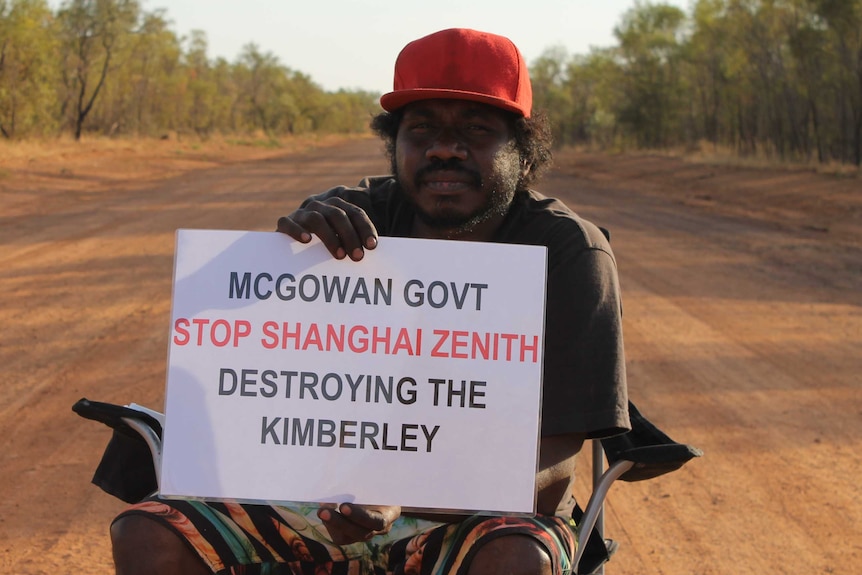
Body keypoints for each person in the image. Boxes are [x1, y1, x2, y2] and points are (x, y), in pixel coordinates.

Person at [110, 28, 630, 575]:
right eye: (421, 128)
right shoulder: (348, 220)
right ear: (394, 144)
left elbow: (554, 466)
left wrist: (406, 491)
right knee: (149, 533)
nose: (444, 148)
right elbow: (250, 365)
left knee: (517, 554)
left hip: (476, 516)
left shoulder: (568, 251)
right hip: (319, 501)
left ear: (523, 153)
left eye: (476, 130)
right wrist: (285, 261)